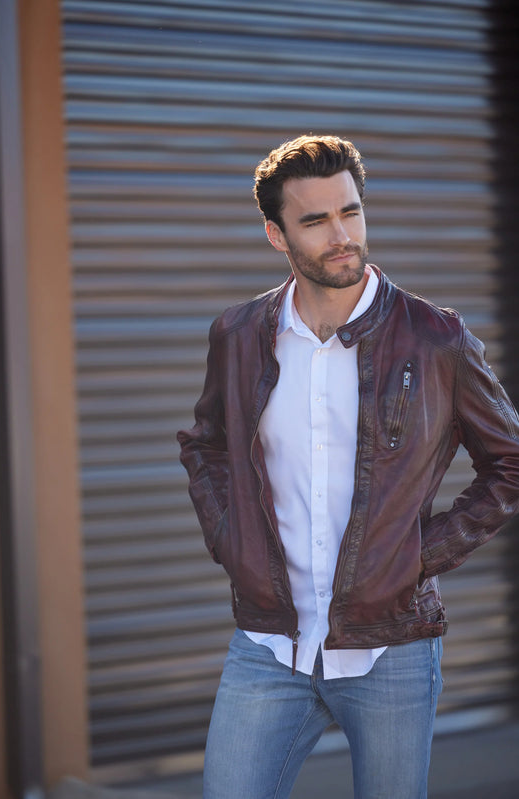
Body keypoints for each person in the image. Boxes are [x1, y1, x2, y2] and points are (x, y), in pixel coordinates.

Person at [177, 134, 519, 799]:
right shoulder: (240, 334)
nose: (341, 235)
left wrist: (419, 554)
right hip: (268, 643)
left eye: (350, 212)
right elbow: (205, 443)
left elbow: (508, 459)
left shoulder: (433, 337)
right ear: (276, 235)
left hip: (389, 645)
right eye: (315, 220)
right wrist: (228, 538)